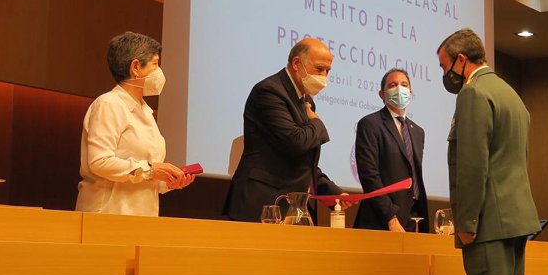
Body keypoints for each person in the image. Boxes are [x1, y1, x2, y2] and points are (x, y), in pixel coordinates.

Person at [437, 28, 540, 275]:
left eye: (444, 66)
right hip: (514, 218)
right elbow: (518, 159)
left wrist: (465, 221)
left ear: (461, 60)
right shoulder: (510, 93)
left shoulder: (473, 93)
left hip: (487, 224)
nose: (445, 75)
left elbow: (471, 165)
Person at [224, 38, 350, 222]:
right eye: (319, 69)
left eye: (327, 71)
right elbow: (295, 142)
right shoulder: (269, 91)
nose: (324, 77)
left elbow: (305, 161)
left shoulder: (306, 101)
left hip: (292, 207)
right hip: (262, 204)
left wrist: (331, 192)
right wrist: (318, 124)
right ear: (297, 64)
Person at [76, 32, 195, 216]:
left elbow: (146, 175)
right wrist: (151, 169)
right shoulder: (109, 104)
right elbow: (99, 162)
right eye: (155, 64)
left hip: (143, 216)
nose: (159, 72)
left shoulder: (146, 112)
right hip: (109, 214)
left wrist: (169, 181)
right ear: (136, 67)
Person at [353, 68, 429, 233]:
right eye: (393, 85)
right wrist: (390, 217)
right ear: (382, 94)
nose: (399, 89)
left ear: (410, 92)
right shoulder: (370, 124)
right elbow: (369, 176)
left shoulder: (418, 131)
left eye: (404, 85)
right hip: (382, 220)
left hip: (414, 217)